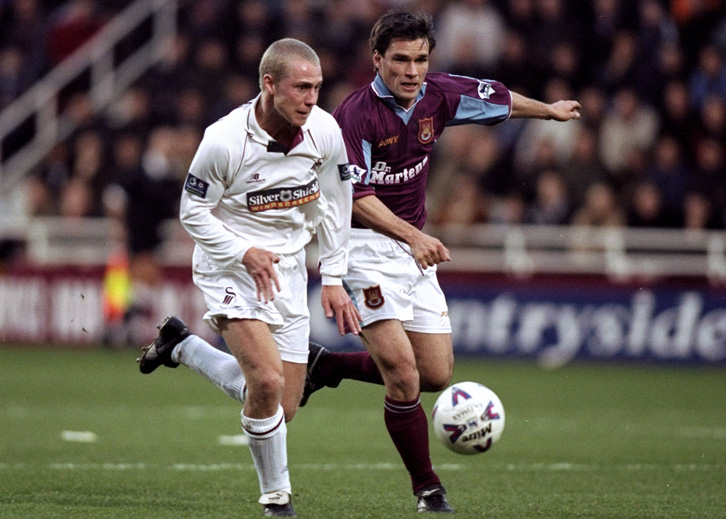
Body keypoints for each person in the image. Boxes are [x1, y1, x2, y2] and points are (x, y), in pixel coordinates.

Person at [301, 7, 582, 513]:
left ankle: (327, 366)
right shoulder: (354, 115)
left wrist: (549, 111)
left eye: (421, 60)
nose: (412, 71)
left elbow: (495, 98)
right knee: (404, 378)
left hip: (411, 250)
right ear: (377, 59)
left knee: (435, 375)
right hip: (361, 246)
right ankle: (427, 488)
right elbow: (356, 197)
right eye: (401, 60)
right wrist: (413, 236)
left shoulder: (438, 94)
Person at [137, 38, 361, 518]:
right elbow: (192, 212)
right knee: (264, 381)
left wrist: (335, 275)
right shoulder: (223, 140)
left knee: (282, 403)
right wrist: (243, 250)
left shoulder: (325, 131)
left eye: (317, 88)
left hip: (289, 269)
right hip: (229, 266)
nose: (311, 98)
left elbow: (339, 204)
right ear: (269, 84)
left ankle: (183, 346)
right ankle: (276, 496)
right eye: (301, 88)